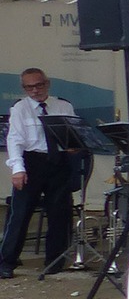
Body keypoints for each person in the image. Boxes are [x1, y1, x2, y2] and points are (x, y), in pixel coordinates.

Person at [2, 69, 81, 279]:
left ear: (48, 83)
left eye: (39, 85)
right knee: (20, 214)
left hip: (58, 162)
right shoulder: (20, 108)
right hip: (32, 162)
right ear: (24, 88)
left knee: (60, 213)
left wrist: (73, 145)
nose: (35, 90)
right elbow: (15, 140)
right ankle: (7, 261)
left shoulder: (63, 105)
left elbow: (72, 133)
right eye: (29, 87)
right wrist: (18, 169)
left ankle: (55, 260)